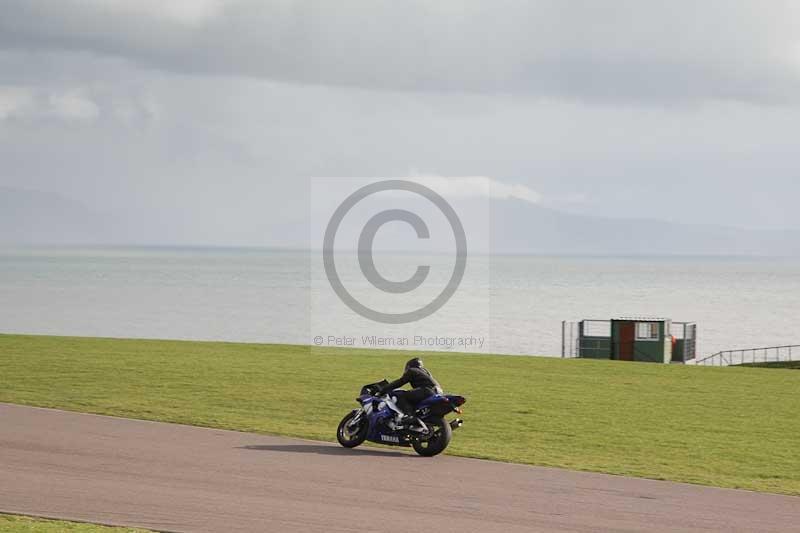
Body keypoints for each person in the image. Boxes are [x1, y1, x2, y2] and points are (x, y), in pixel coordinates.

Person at [376, 357, 443, 431]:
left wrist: (384, 390)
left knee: (401, 395)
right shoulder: (425, 372)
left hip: (427, 391)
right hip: (438, 393)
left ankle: (409, 416)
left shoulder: (412, 370)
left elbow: (400, 382)